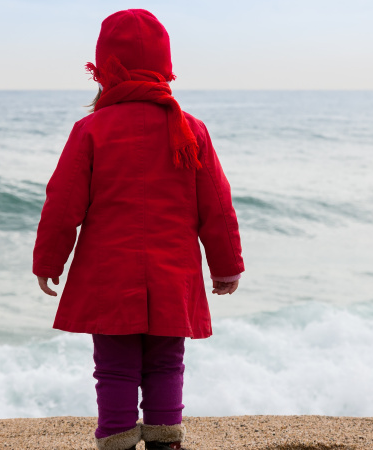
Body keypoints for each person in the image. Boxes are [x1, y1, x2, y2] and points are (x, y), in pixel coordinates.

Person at [33, 9, 244, 450]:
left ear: (104, 70)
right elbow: (217, 206)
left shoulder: (91, 129)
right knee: (167, 363)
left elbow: (63, 203)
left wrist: (49, 260)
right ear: (165, 67)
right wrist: (226, 266)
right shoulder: (191, 130)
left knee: (113, 367)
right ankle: (166, 444)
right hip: (173, 273)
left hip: (108, 275)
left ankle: (116, 443)